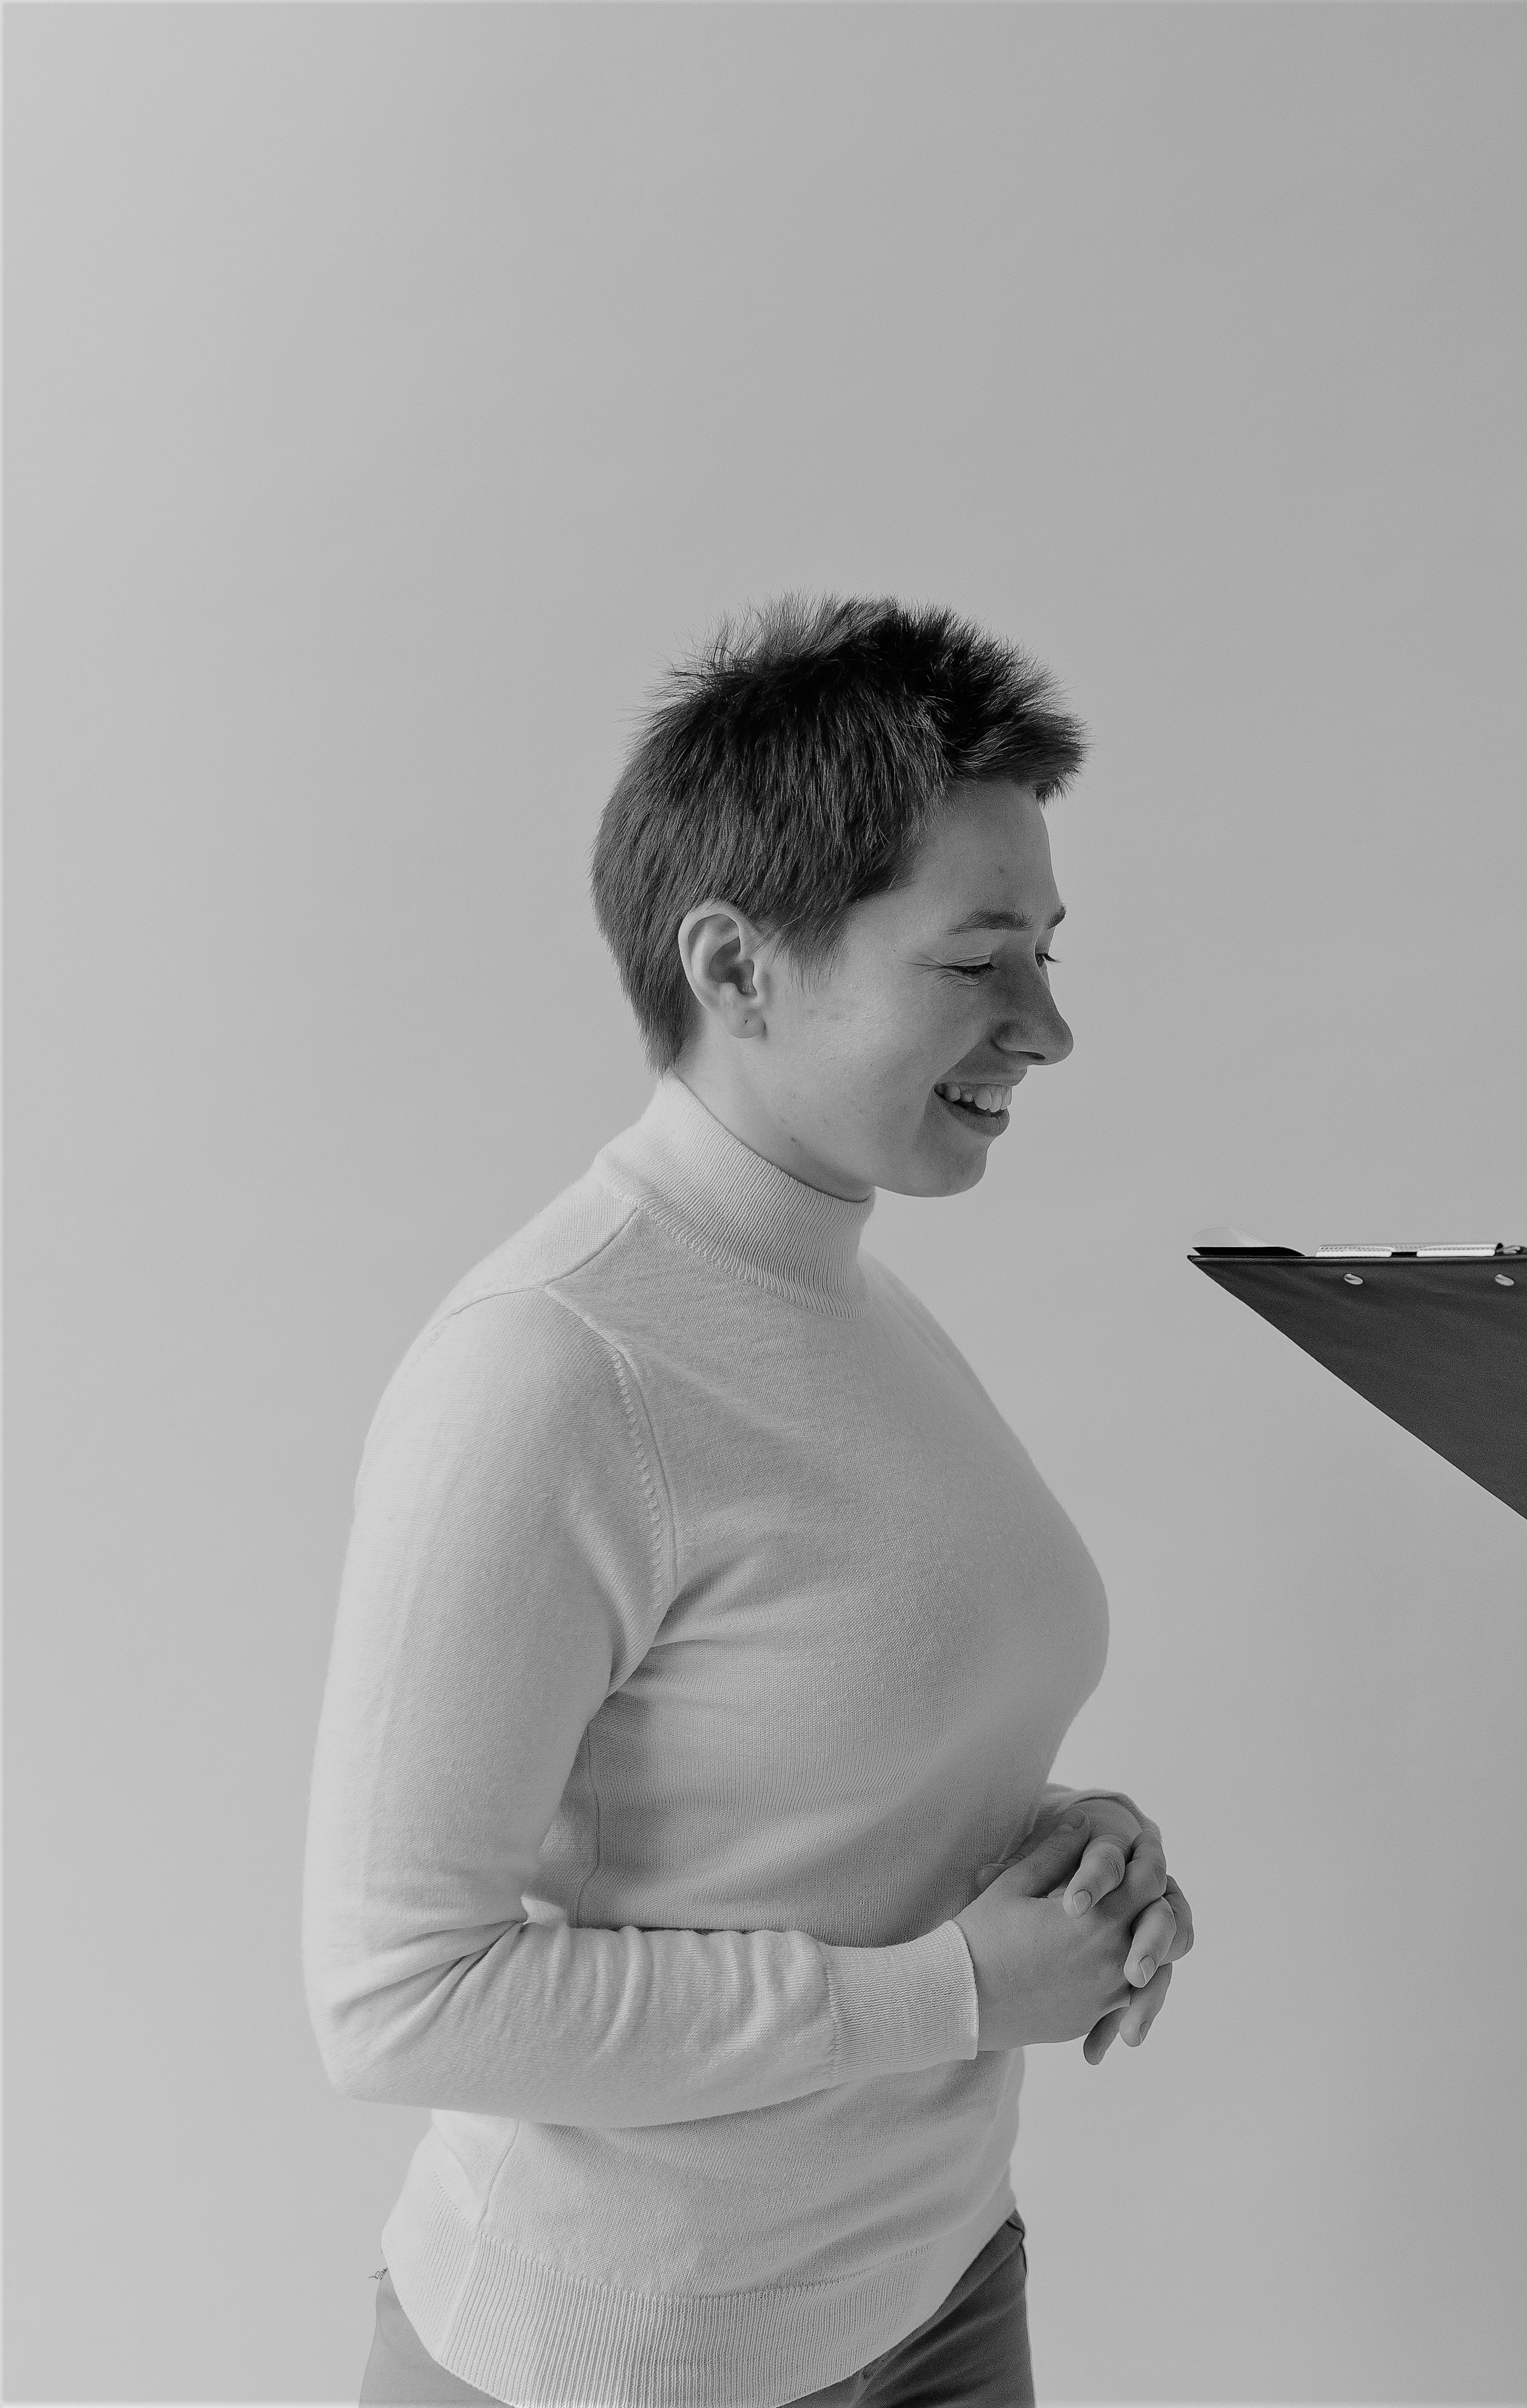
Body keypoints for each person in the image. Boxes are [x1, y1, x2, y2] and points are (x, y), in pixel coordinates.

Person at [303, 597, 1194, 2408]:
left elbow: (805, 1764)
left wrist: (1055, 1853)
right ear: (735, 967)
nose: (1047, 1028)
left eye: (1050, 950)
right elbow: (398, 2002)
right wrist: (954, 1990)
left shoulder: (842, 1298)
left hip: (934, 2279)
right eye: (977, 960)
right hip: (626, 2359)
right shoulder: (550, 1369)